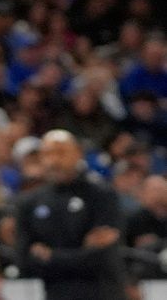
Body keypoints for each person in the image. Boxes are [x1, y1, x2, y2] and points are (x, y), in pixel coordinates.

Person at [14, 129, 126, 300]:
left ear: (78, 154)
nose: (54, 161)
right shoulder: (28, 203)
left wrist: (50, 256)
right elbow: (24, 262)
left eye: (61, 152)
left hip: (100, 292)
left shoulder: (102, 195)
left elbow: (101, 257)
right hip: (53, 294)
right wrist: (81, 252)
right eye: (47, 154)